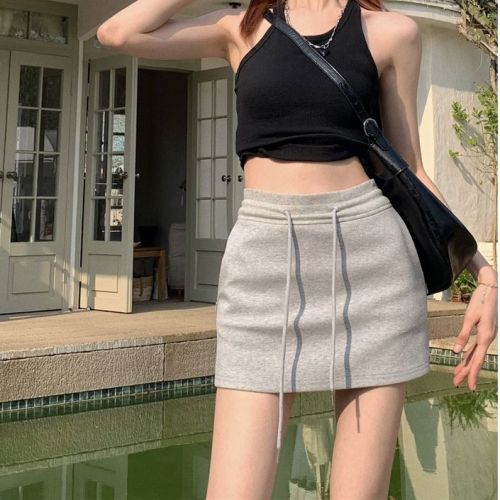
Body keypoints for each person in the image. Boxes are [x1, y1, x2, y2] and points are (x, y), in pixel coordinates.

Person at [97, 0, 498, 497]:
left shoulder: (392, 32)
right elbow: (118, 33)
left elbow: (410, 169)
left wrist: (483, 272)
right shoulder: (240, 28)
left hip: (371, 264)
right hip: (263, 260)